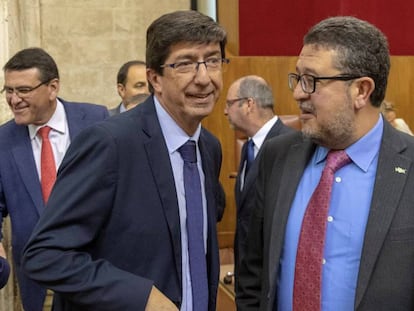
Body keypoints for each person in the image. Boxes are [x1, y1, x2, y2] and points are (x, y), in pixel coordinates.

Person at [22, 10, 227, 311]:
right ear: (154, 78)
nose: (204, 78)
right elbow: (45, 254)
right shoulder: (110, 144)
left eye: (212, 60)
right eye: (184, 64)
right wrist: (141, 296)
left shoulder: (209, 147)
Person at [237, 16, 414, 311]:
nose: (298, 93)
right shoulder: (276, 156)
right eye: (298, 78)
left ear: (361, 90)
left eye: (312, 81)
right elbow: (253, 274)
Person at [0, 47, 109, 311]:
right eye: (8, 91)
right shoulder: (3, 141)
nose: (14, 100)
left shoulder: (97, 121)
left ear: (53, 87)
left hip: (98, 271)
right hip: (39, 280)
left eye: (23, 90)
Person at [224, 75, 293, 292]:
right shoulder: (248, 147)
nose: (225, 111)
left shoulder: (291, 146)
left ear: (248, 104)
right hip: (249, 275)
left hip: (274, 278)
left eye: (229, 104)